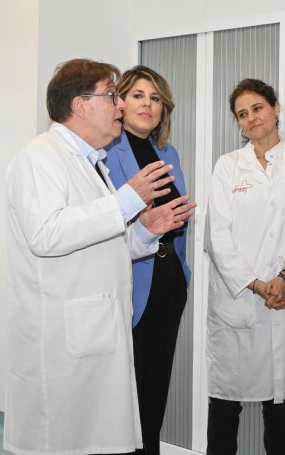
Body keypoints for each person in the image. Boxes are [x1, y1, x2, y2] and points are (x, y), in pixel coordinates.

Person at [4, 59, 195, 455]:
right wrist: (127, 201)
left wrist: (146, 230)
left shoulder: (91, 164)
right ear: (80, 104)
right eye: (112, 95)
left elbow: (106, 242)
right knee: (64, 440)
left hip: (96, 328)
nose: (120, 105)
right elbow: (46, 234)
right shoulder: (40, 157)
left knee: (100, 436)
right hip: (64, 335)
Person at [204, 78, 285, 455]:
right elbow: (217, 236)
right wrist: (256, 284)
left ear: (276, 108)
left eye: (257, 108)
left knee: (279, 406)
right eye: (242, 114)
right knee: (225, 405)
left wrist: (284, 277)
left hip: (283, 297)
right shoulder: (228, 166)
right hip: (238, 300)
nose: (251, 118)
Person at [104, 65, 191, 455]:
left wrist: (182, 275)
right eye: (138, 95)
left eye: (155, 98)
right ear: (120, 101)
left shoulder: (167, 152)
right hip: (130, 280)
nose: (147, 104)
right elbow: (108, 219)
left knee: (155, 386)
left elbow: (179, 216)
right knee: (126, 392)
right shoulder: (107, 152)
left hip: (168, 279)